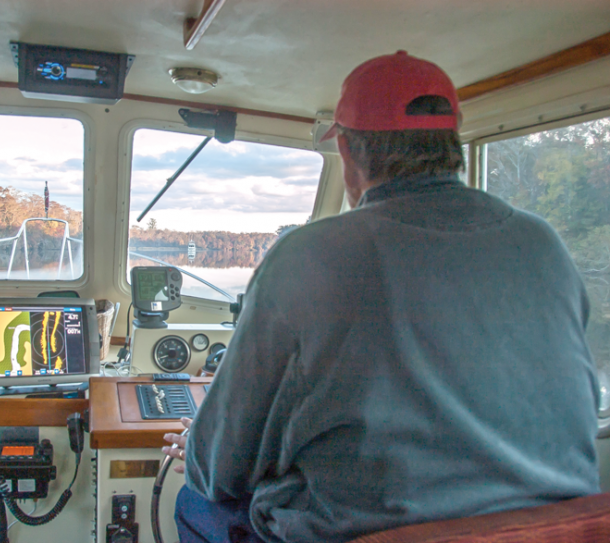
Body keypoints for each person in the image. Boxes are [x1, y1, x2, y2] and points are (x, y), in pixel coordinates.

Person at [163, 51, 600, 543]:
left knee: (196, 502)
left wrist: (196, 447)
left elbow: (219, 468)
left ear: (347, 153)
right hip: (558, 530)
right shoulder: (542, 244)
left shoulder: (310, 256)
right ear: (451, 142)